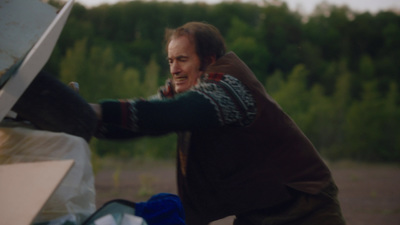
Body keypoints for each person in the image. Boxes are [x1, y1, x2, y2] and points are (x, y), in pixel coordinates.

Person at [90, 22, 346, 225]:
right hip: (255, 212)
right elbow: (147, 116)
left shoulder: (227, 84)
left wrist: (101, 111)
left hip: (304, 209)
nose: (174, 69)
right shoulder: (185, 89)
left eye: (183, 59)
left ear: (209, 60)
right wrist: (89, 122)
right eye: (170, 61)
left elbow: (172, 114)